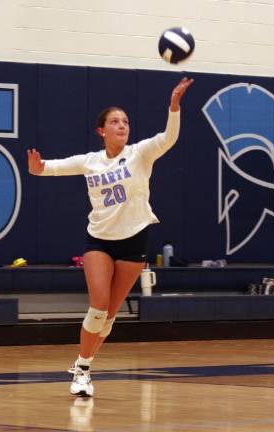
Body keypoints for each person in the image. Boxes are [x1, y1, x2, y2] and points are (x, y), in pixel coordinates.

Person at [27, 76, 194, 397]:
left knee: (110, 318)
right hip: (100, 241)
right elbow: (54, 167)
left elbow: (168, 138)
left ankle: (82, 363)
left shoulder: (140, 154)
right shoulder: (90, 162)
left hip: (134, 239)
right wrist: (38, 168)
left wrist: (174, 107)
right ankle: (83, 371)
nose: (122, 125)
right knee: (99, 307)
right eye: (114, 122)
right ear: (101, 130)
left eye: (126, 121)